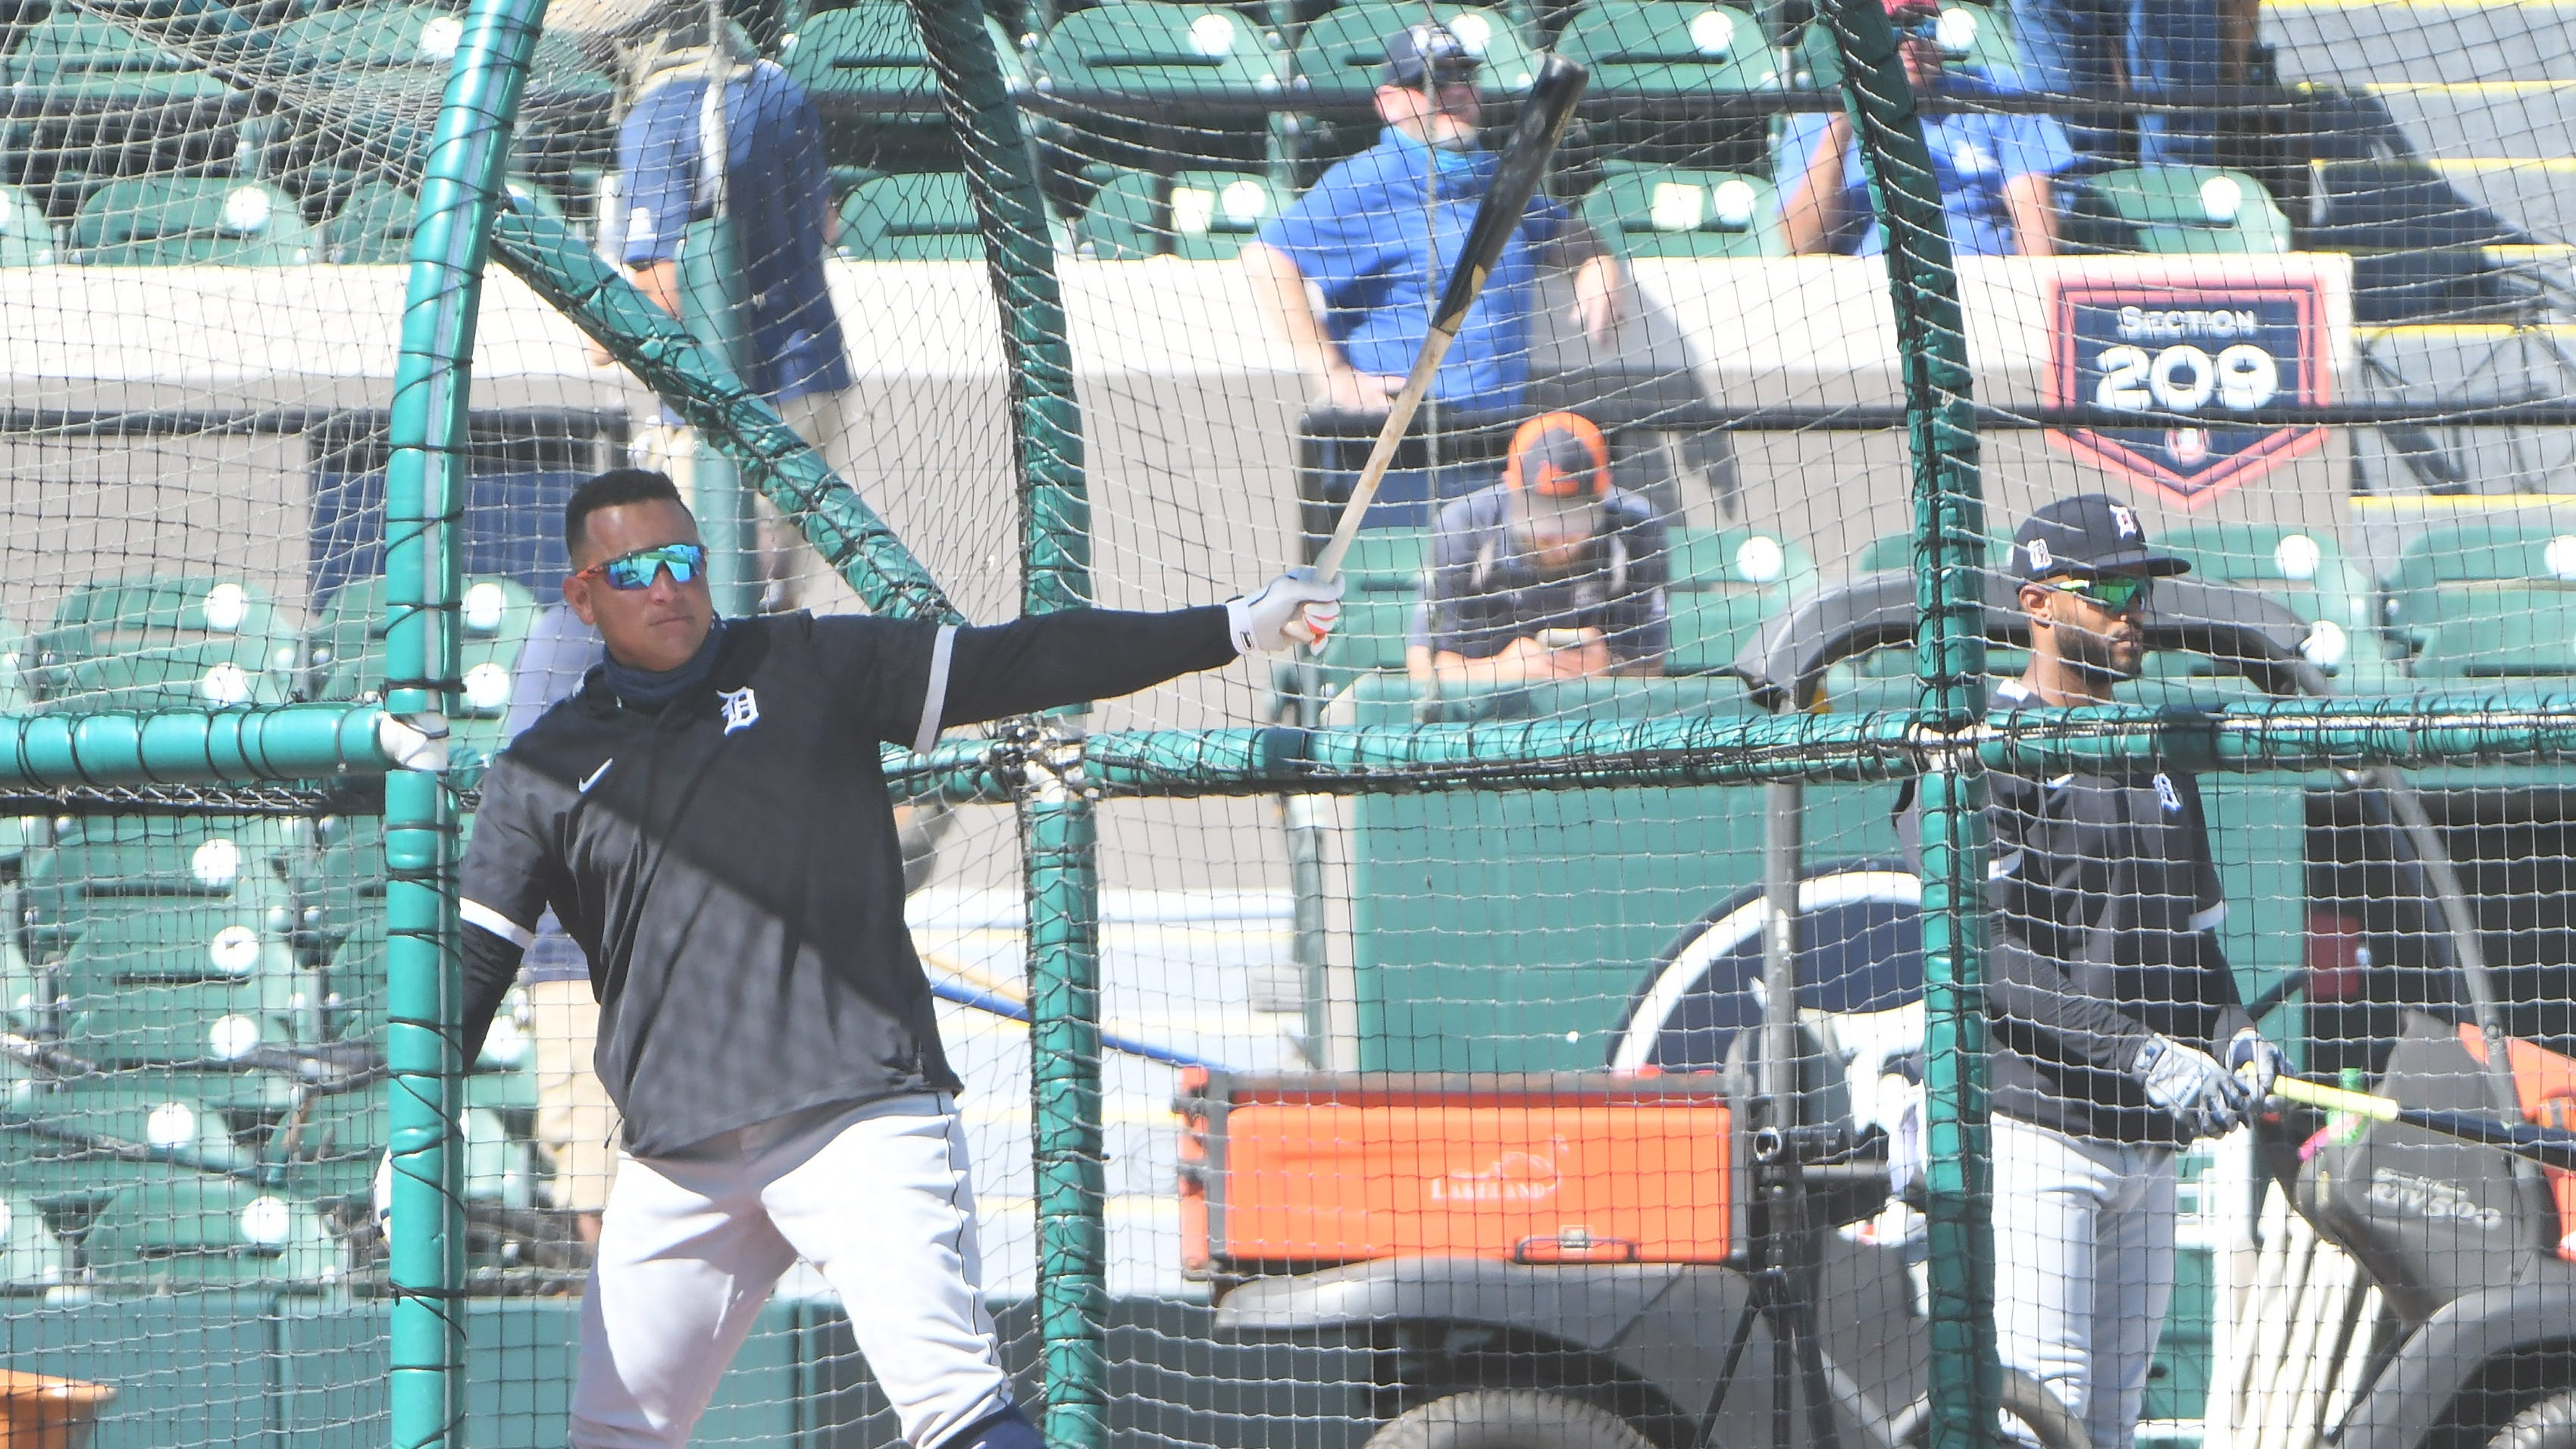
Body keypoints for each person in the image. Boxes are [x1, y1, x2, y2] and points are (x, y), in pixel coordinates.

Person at [454, 468, 1341, 1449]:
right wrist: (413, 1127)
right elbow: (472, 966)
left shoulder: (802, 663)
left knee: (954, 1410)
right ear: (580, 595)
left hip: (852, 1114)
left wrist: (1230, 626)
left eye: (681, 560)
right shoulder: (537, 769)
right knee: (611, 1435)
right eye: (631, 573)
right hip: (679, 1149)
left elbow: (1024, 660)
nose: (665, 588)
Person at [1980, 493, 2285, 1449]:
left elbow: (2196, 946)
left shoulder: (2156, 751)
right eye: (2107, 589)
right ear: (2038, 602)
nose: (2131, 611)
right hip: (2041, 1132)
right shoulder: (1990, 745)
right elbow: (1985, 958)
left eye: (2140, 589)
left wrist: (2235, 1031)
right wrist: (2146, 1053)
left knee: (2111, 1424)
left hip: (2148, 1148)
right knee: (2041, 1418)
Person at [559, 0, 853, 613]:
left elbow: (663, 286)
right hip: (814, 376)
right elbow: (826, 221)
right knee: (776, 600)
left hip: (729, 405)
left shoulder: (660, 114)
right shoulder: (782, 88)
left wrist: (598, 328)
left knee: (704, 604)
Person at [1242, 23, 1623, 419]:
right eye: (1433, 79)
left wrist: (1598, 265)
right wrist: (1332, 372)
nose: (1455, 90)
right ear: (1388, 103)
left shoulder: (1494, 175)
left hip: (1492, 429)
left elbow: (1565, 234)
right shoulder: (1368, 179)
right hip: (1398, 434)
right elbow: (1267, 258)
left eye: (1465, 75)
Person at [502, 604, 621, 1247]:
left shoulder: (731, 640)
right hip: (585, 961)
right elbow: (533, 793)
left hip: (700, 958)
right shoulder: (572, 633)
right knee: (601, 1193)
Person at [1776, 0, 2073, 258]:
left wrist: (2032, 297)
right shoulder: (1817, 117)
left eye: (1922, 26)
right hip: (1864, 291)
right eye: (1891, 27)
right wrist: (1845, 120)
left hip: (1985, 286)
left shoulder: (1993, 90)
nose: (1910, 43)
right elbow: (1803, 246)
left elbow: (2032, 208)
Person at [1407, 411, 1669, 690]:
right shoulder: (1462, 529)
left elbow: (1650, 664)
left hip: (1595, 709)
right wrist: (1501, 670)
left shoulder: (1638, 529)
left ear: (1602, 494)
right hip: (1484, 711)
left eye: (1574, 519)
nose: (1560, 540)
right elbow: (1423, 665)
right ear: (1513, 490)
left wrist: (1608, 666)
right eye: (1543, 521)